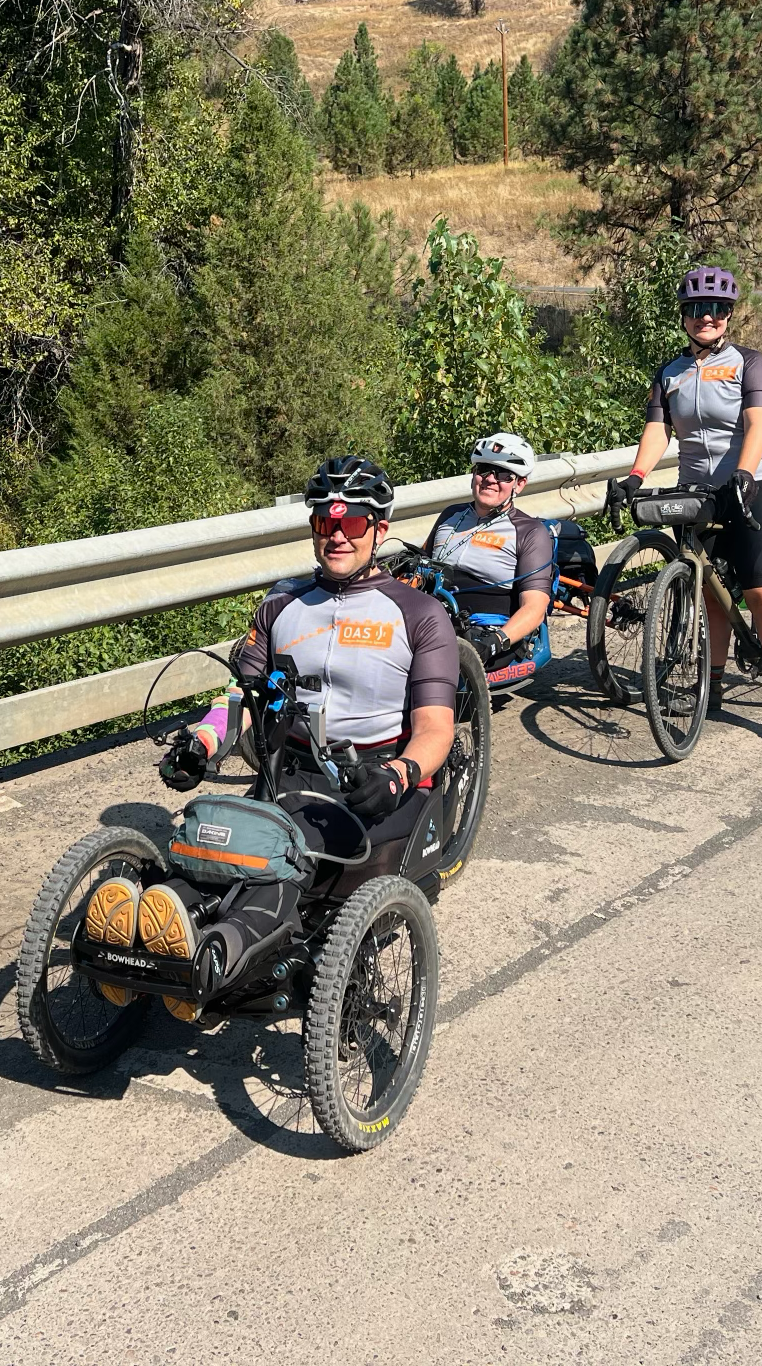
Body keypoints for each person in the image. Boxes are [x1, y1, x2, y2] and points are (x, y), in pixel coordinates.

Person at [83, 456, 459, 1017]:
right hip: (291, 772)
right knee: (214, 848)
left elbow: (436, 729)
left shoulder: (420, 614)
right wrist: (202, 745)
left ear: (378, 530)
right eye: (325, 523)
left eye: (352, 523)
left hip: (373, 783)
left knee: (278, 857)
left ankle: (217, 954)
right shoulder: (281, 604)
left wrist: (400, 772)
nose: (337, 534)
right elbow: (238, 698)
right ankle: (150, 927)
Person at [603, 266, 762, 750]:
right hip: (697, 495)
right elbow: (659, 432)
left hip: (753, 488)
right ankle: (710, 685)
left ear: (729, 315)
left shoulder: (749, 363)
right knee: (708, 593)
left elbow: (758, 423)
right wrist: (635, 478)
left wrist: (743, 470)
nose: (707, 317)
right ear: (684, 316)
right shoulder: (670, 373)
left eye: (717, 309)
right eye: (698, 309)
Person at [422, 432, 555, 677]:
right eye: (484, 470)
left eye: (504, 475)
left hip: (483, 631)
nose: (490, 480)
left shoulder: (529, 532)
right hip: (431, 617)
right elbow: (421, 565)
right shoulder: (451, 515)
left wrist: (497, 640)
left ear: (519, 484)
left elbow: (535, 608)